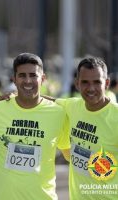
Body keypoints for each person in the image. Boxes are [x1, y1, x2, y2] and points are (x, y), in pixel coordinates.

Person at [0, 53, 70, 200]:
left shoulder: (58, 113)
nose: (28, 80)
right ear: (14, 79)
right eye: (22, 75)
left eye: (33, 75)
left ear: (43, 78)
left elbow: (69, 153)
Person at [56, 57, 118, 200]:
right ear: (77, 84)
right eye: (85, 82)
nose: (91, 88)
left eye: (97, 82)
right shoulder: (71, 106)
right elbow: (42, 101)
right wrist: (9, 98)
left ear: (107, 83)